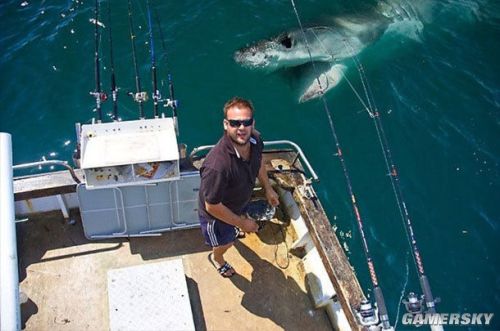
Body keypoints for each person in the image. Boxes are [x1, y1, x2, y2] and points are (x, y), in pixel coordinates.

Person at [198, 97, 280, 278]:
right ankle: (217, 259)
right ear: (226, 124)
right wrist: (242, 223)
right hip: (216, 218)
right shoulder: (217, 166)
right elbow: (211, 206)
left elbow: (258, 162)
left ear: (253, 123)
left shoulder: (255, 140)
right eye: (235, 123)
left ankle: (233, 232)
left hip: (239, 204)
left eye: (246, 122)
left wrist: (268, 188)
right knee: (225, 242)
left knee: (232, 233)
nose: (241, 128)